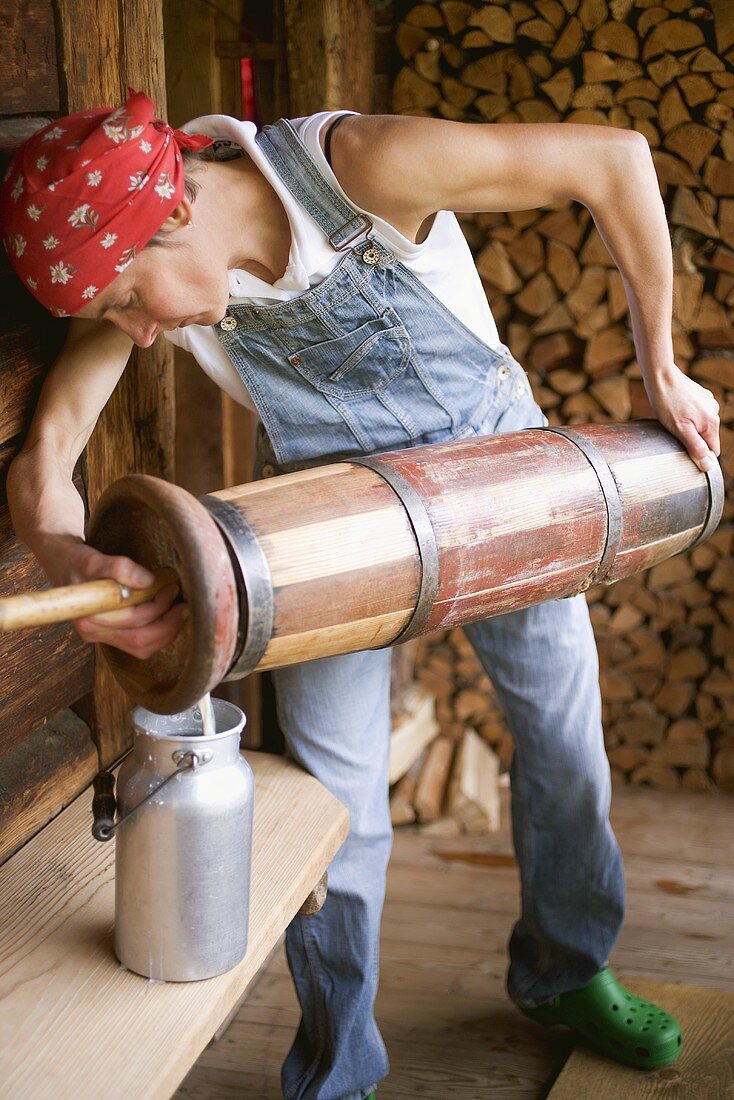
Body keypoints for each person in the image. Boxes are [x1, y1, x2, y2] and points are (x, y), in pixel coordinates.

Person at [1, 91, 720, 1100]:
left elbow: (615, 157)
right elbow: (42, 464)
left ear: (169, 214)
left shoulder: (366, 165)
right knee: (338, 806)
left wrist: (660, 363)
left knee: (560, 738)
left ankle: (565, 971)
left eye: (128, 299)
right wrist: (74, 560)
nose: (138, 334)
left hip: (504, 478)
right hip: (327, 519)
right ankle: (339, 1067)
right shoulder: (150, 264)